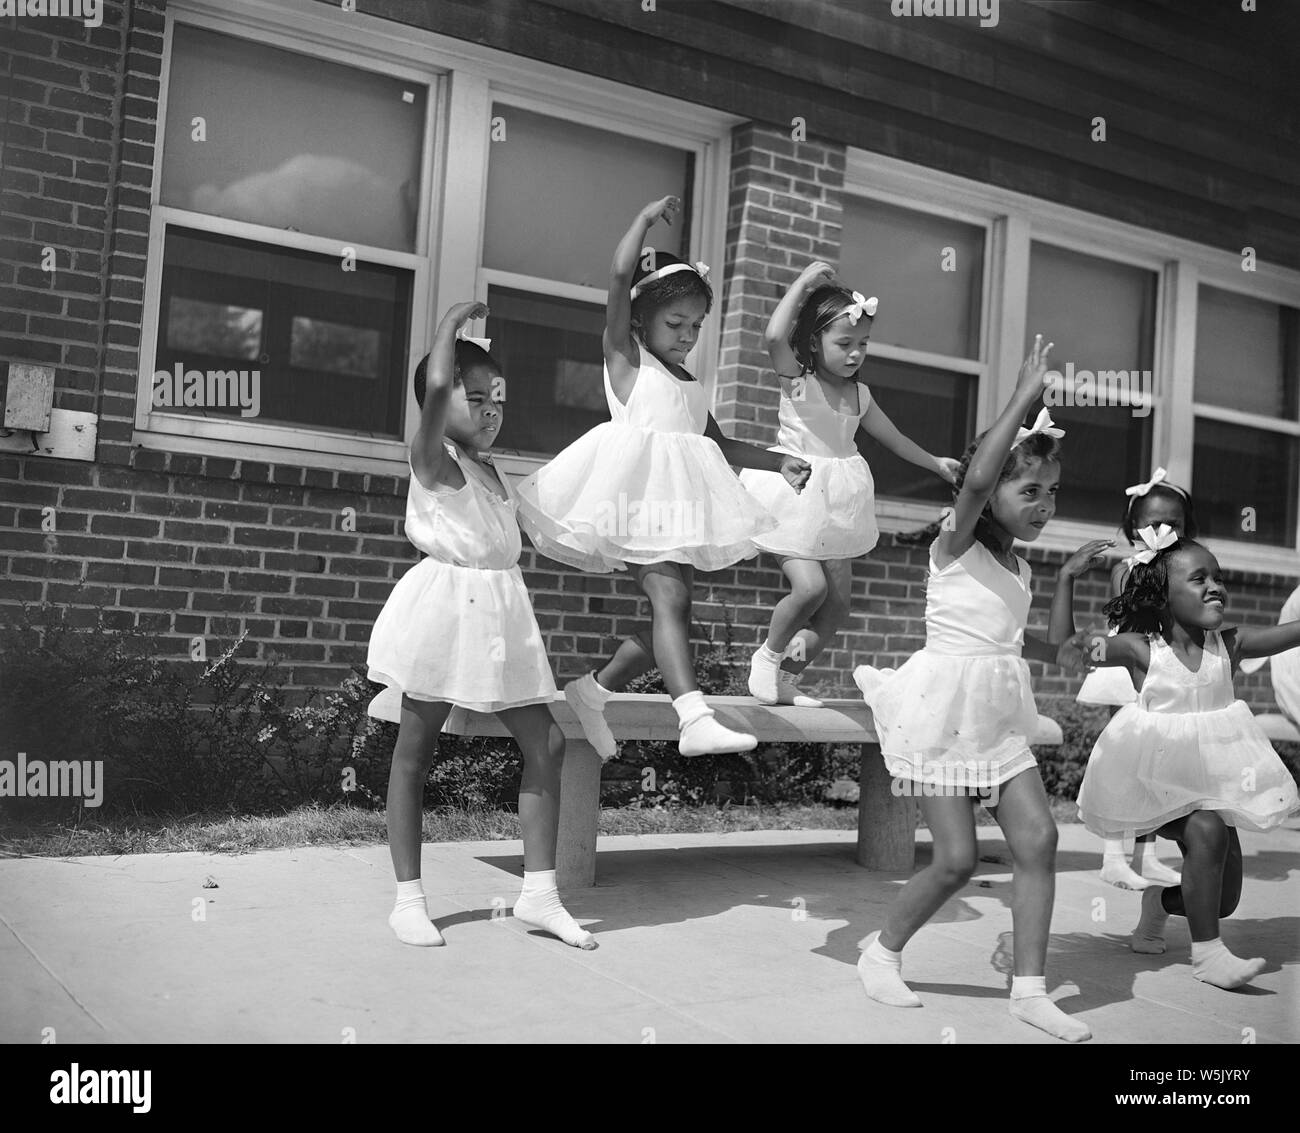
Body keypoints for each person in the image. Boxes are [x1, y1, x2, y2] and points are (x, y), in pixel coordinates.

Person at [852, 335, 1093, 1042]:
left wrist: (1072, 589)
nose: (1044, 503)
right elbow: (979, 482)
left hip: (996, 714)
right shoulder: (953, 541)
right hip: (941, 710)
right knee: (956, 859)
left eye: (1051, 492)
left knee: (1039, 838)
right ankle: (882, 950)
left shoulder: (1017, 568)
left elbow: (1035, 645)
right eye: (1030, 490)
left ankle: (1029, 989)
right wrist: (1025, 395)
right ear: (991, 491)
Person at [515, 196, 811, 760]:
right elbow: (619, 275)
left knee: (670, 619)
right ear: (638, 320)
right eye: (675, 323)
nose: (686, 335)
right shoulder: (626, 359)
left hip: (675, 507)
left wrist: (780, 461)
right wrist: (641, 221)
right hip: (632, 498)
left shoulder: (690, 384)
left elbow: (718, 445)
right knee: (669, 597)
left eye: (696, 326)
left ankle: (590, 692)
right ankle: (693, 717)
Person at [366, 301, 595, 950]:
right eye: (476, 397)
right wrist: (450, 323)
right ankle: (408, 897)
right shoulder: (432, 458)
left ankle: (539, 893)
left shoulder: (493, 471)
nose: (491, 409)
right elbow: (436, 386)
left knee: (546, 744)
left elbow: (543, 527)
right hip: (444, 609)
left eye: (498, 398)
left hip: (501, 614)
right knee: (415, 752)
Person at [1069, 530, 1300, 988]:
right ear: (1163, 594)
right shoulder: (1140, 650)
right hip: (1156, 782)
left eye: (1218, 577)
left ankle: (1160, 903)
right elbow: (1068, 647)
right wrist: (1064, 580)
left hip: (1213, 780)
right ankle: (1209, 956)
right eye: (1199, 579)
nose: (1215, 585)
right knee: (1206, 829)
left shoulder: (1228, 646)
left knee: (1224, 899)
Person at [740, 261, 959, 707]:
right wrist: (803, 284)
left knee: (836, 608)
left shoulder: (860, 395)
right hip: (796, 496)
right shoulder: (797, 383)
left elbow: (893, 439)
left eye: (863, 344)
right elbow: (773, 338)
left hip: (839, 506)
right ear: (814, 343)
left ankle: (786, 674)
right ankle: (765, 658)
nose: (855, 353)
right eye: (844, 343)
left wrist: (936, 464)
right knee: (810, 590)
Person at [1063, 469, 1193, 890]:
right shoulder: (1128, 567)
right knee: (1125, 766)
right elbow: (1137, 608)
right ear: (1132, 529)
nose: (1164, 530)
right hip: (1129, 671)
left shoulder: (1185, 566)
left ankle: (1147, 854)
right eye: (1154, 523)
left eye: (1174, 523)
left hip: (1164, 674)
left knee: (1155, 766)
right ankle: (1112, 857)